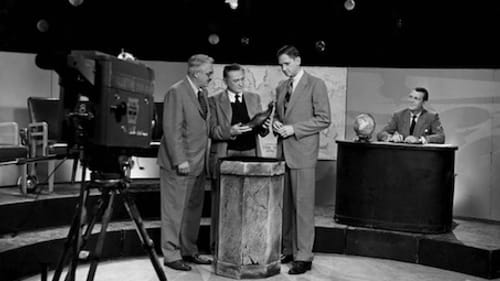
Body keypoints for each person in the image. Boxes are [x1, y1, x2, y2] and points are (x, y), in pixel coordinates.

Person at [272, 45, 331, 274]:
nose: (284, 68)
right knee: (285, 207)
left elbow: (324, 119)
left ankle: (304, 256)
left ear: (298, 60)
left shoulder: (316, 84)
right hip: (283, 154)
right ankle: (288, 249)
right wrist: (277, 123)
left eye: (287, 63)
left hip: (303, 154)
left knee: (303, 208)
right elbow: (279, 114)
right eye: (281, 65)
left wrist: (294, 129)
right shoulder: (281, 87)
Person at [157, 54, 213, 271]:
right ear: (196, 73)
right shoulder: (176, 92)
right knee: (174, 211)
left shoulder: (202, 93)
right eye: (208, 73)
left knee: (192, 211)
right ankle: (171, 255)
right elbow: (172, 130)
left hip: (199, 164)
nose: (211, 77)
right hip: (179, 165)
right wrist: (180, 160)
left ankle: (189, 250)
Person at [208, 63, 270, 250]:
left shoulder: (254, 98)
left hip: (251, 153)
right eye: (235, 81)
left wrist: (264, 128)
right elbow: (211, 131)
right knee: (224, 203)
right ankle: (219, 245)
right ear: (226, 81)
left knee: (252, 201)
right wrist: (230, 130)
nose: (240, 83)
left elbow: (260, 130)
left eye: (242, 79)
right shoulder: (214, 101)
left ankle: (250, 244)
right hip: (227, 155)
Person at [376, 87, 445, 144]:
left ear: (423, 102)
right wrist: (390, 137)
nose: (412, 101)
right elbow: (381, 134)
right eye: (410, 97)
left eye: (416, 98)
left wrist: (420, 139)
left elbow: (441, 137)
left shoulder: (431, 117)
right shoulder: (399, 115)